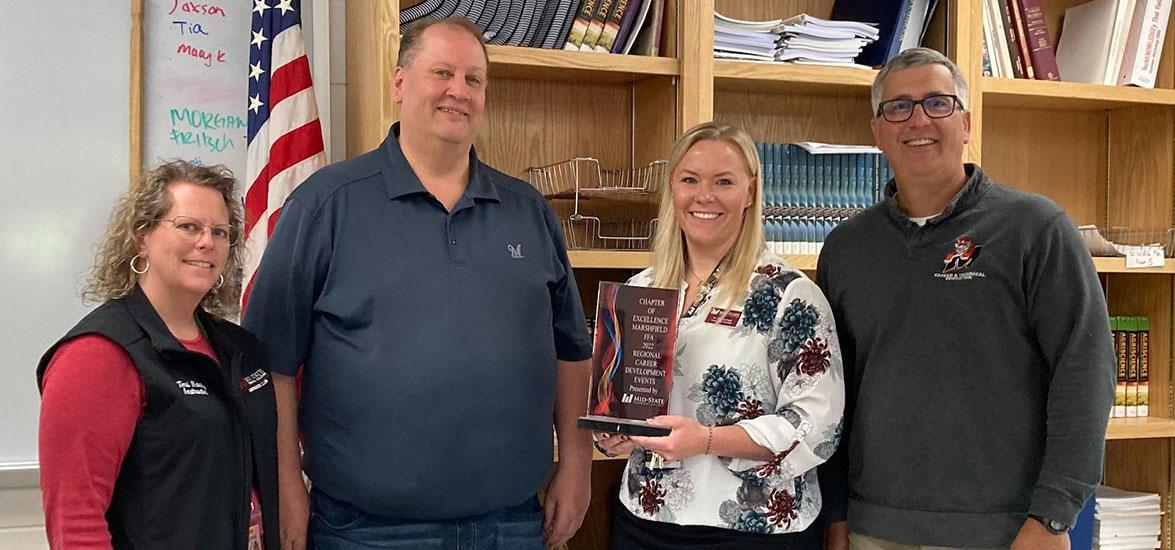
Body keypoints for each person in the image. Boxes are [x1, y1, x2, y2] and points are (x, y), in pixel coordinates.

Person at [241, 15, 594, 550]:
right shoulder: (324, 205)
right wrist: (285, 483)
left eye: (474, 79)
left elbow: (572, 349)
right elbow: (273, 362)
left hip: (514, 523)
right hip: (365, 530)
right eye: (442, 73)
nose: (459, 91)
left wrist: (577, 462)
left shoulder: (529, 211)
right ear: (400, 83)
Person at [818, 47, 1115, 550]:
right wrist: (836, 516)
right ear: (877, 131)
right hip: (874, 530)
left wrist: (1053, 518)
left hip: (1008, 531)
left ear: (966, 121)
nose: (918, 120)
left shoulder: (1035, 229)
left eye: (937, 103)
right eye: (898, 107)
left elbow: (1084, 373)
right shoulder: (848, 247)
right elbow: (831, 394)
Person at [597, 122, 845, 550]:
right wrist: (612, 433)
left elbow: (817, 426)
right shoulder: (641, 290)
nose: (704, 196)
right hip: (646, 519)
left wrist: (707, 441)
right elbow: (618, 403)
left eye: (723, 181)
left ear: (750, 191)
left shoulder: (789, 294)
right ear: (672, 189)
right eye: (689, 180)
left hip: (753, 531)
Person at [37, 161, 278, 549]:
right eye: (188, 227)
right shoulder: (98, 356)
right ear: (142, 238)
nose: (207, 242)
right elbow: (76, 520)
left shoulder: (241, 350)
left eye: (220, 231)